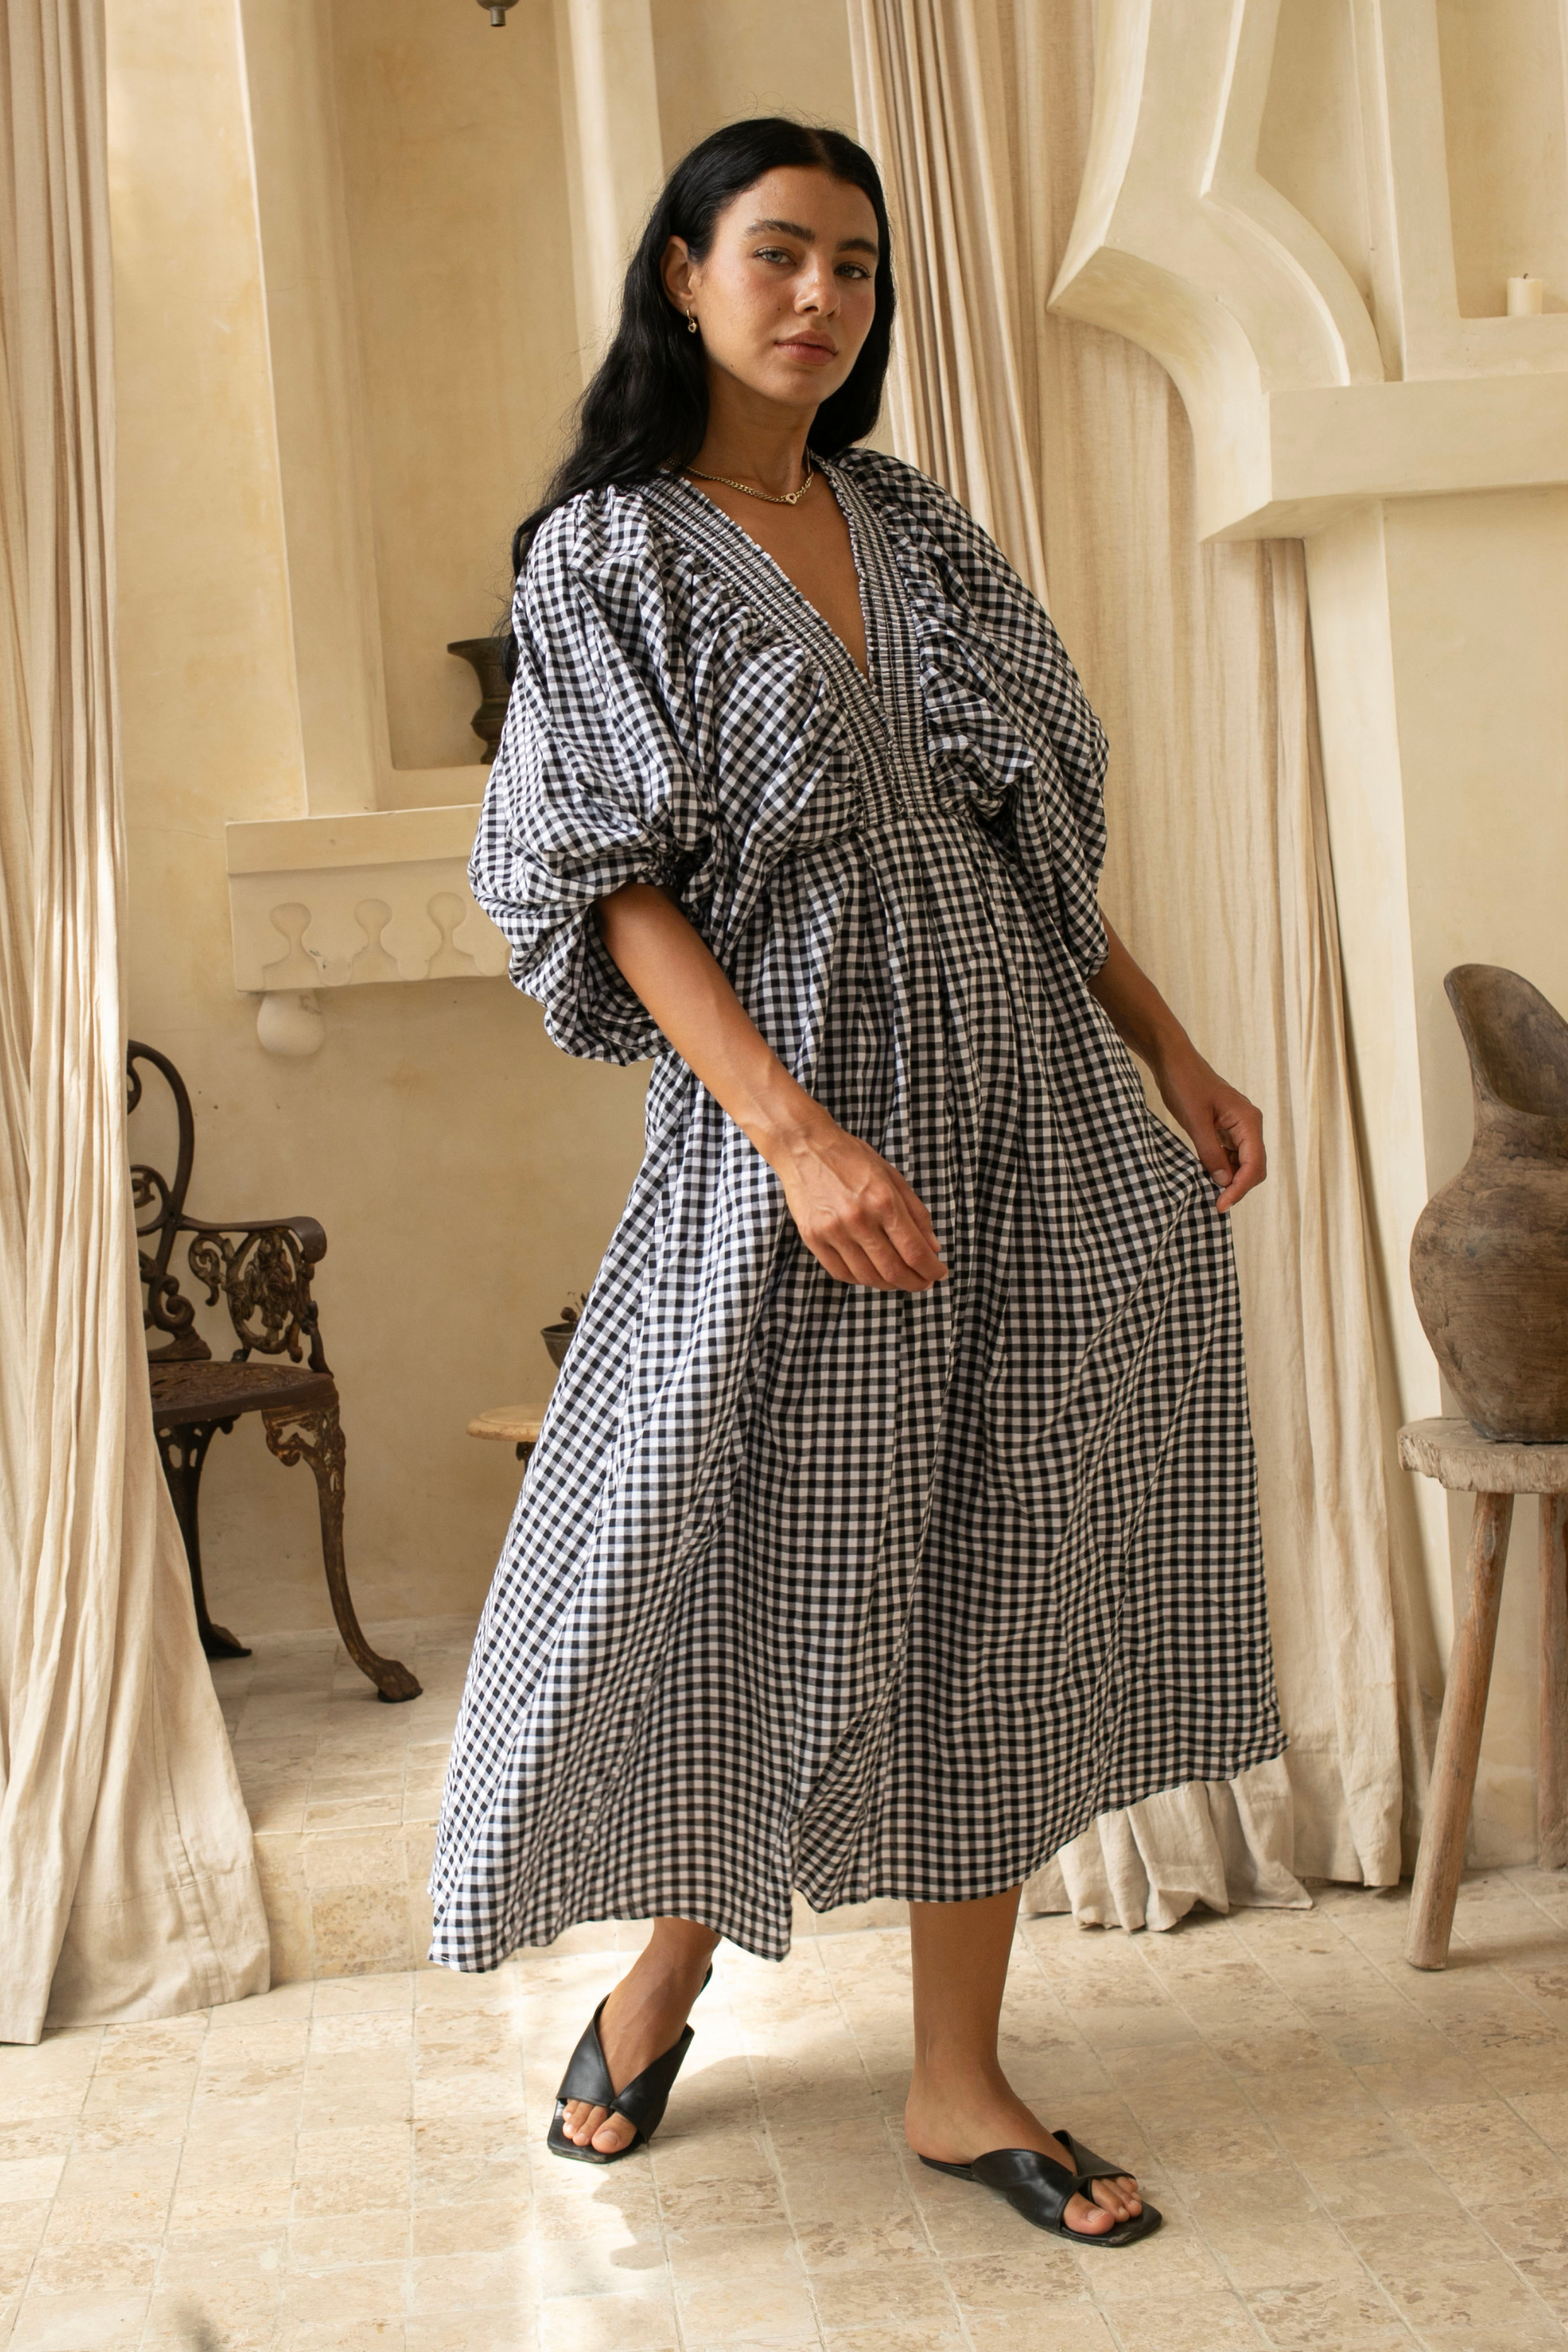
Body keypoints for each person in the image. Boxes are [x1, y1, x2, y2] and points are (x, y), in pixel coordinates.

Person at [430, 117, 1284, 2248]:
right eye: (781, 254)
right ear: (685, 273)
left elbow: (1020, 841)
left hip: (1028, 1108)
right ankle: (666, 1971)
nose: (823, 298)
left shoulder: (915, 525)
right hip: (795, 1116)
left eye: (859, 266)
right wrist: (794, 1138)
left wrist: (1167, 1043)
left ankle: (955, 2076)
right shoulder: (605, 552)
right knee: (738, 1552)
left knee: (1002, 1559)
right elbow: (608, 882)